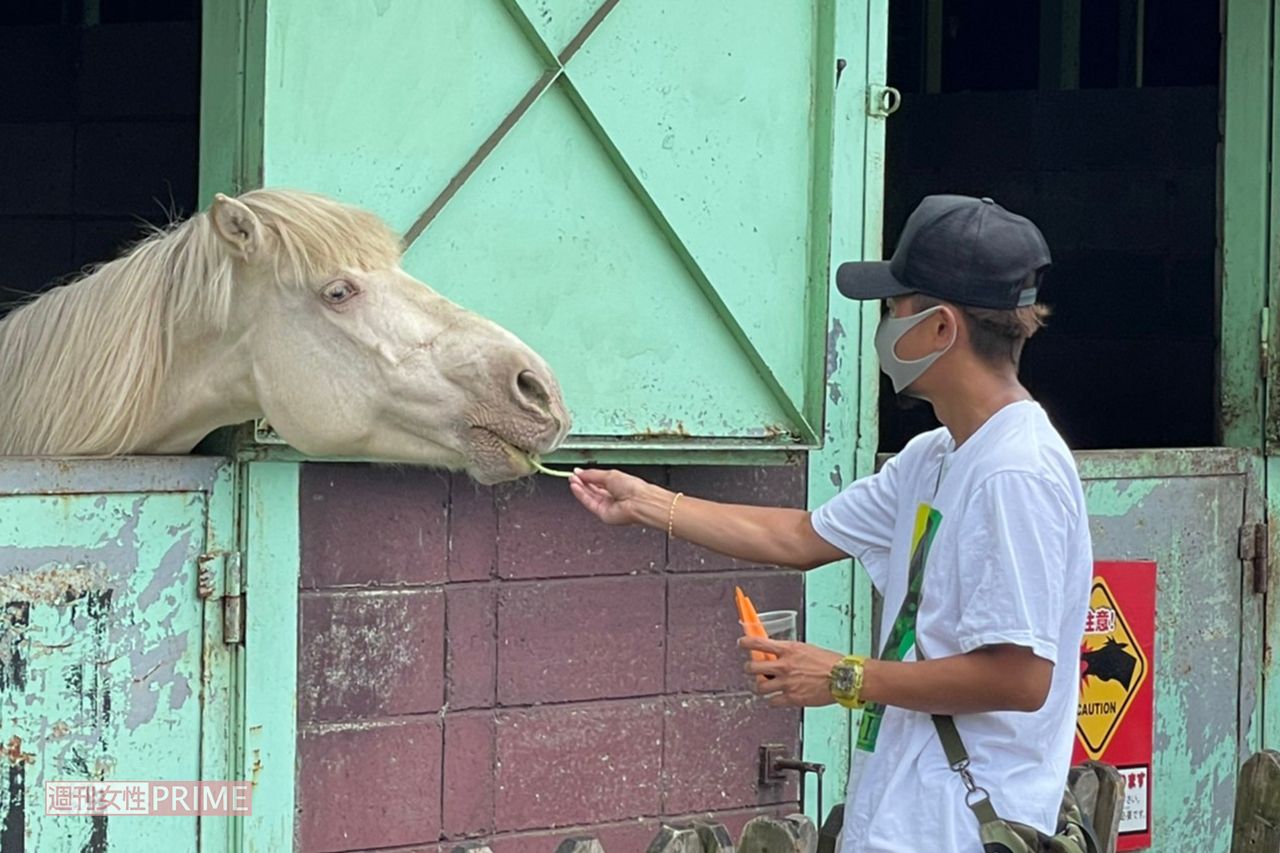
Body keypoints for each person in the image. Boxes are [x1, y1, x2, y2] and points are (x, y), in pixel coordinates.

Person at [567, 194, 1093, 852]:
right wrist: (644, 502)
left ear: (940, 328)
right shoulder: (936, 454)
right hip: (902, 816)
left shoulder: (1015, 472)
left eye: (894, 307)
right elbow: (800, 537)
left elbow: (1019, 677)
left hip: (960, 831)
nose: (882, 325)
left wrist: (842, 676)